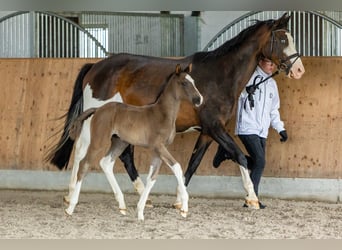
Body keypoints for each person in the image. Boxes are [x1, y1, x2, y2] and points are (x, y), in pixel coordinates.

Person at [213, 56, 288, 209]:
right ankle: (252, 198)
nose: (272, 66)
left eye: (273, 64)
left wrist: (280, 128)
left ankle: (228, 153)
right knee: (260, 162)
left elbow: (273, 110)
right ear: (260, 62)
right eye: (269, 63)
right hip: (247, 127)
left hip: (262, 131)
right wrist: (245, 92)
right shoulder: (247, 77)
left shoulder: (272, 84)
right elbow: (233, 94)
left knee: (256, 163)